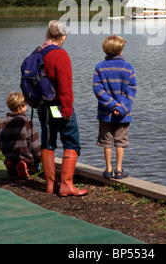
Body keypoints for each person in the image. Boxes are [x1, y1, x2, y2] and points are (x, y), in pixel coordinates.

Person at [38, 20, 87, 197]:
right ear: (63, 37)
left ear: (47, 35)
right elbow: (65, 87)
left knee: (48, 142)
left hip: (43, 107)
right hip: (57, 106)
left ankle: (50, 184)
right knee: (71, 142)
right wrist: (66, 110)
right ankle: (66, 184)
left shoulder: (40, 52)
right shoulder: (60, 55)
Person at [93, 35, 137, 179]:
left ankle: (108, 169)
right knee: (120, 141)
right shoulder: (128, 67)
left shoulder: (99, 67)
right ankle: (118, 170)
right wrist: (121, 107)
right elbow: (131, 89)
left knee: (107, 142)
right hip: (123, 114)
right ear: (120, 50)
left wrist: (111, 105)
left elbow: (98, 90)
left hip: (105, 112)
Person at [0, 92, 41, 180]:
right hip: (26, 157)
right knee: (37, 166)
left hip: (9, 156)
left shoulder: (2, 122)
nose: (26, 107)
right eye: (25, 105)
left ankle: (11, 164)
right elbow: (35, 143)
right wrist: (39, 156)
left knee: (11, 160)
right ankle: (26, 166)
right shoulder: (27, 122)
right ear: (21, 107)